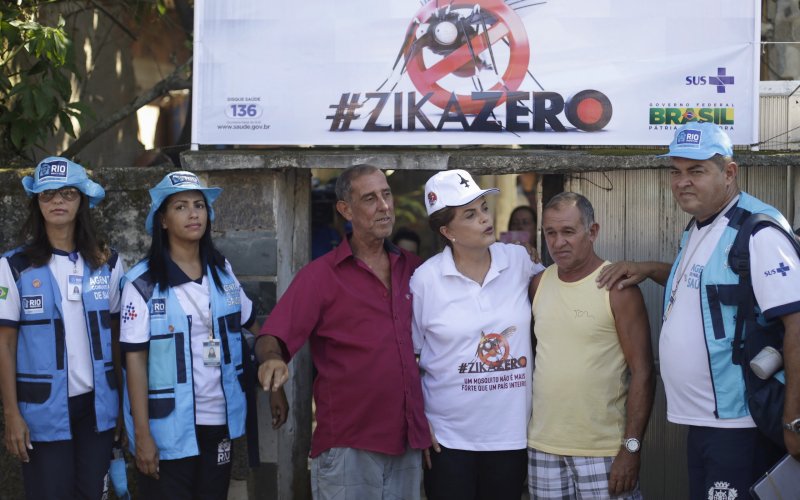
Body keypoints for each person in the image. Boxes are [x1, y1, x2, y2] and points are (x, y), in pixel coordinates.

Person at [596, 122, 800, 498]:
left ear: (729, 173)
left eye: (696, 171)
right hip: (704, 422)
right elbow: (703, 285)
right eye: (675, 171)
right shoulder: (699, 226)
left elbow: (797, 323)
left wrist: (794, 420)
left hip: (741, 423)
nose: (682, 182)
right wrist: (649, 269)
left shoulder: (758, 232)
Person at [255, 164, 430, 500]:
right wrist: (272, 360)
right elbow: (272, 336)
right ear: (346, 210)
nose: (384, 205)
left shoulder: (415, 269)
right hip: (349, 445)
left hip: (408, 442)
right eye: (370, 198)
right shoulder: (320, 276)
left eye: (386, 194)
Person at [120, 171, 287, 499]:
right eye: (180, 206)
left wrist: (274, 387)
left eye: (199, 205)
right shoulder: (140, 283)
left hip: (219, 419)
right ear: (163, 220)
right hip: (167, 428)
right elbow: (134, 362)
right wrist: (142, 436)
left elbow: (255, 326)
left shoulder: (221, 271)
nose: (193, 213)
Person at [410, 170, 545, 500]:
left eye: (483, 207)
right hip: (448, 438)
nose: (485, 218)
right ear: (447, 230)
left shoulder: (518, 261)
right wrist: (418, 420)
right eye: (470, 214)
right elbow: (409, 357)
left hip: (511, 434)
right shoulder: (425, 280)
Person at [0, 157, 124, 499]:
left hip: (98, 408)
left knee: (92, 493)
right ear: (36, 203)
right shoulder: (14, 267)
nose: (57, 201)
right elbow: (5, 345)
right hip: (41, 410)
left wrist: (124, 408)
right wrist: (11, 414)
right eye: (47, 194)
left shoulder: (107, 264)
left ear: (82, 200)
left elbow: (118, 338)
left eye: (68, 193)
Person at [528, 192, 655, 499]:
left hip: (604, 452)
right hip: (542, 449)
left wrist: (631, 448)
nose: (558, 242)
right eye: (551, 233)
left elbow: (644, 373)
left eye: (569, 232)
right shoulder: (537, 284)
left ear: (592, 231)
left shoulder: (618, 289)